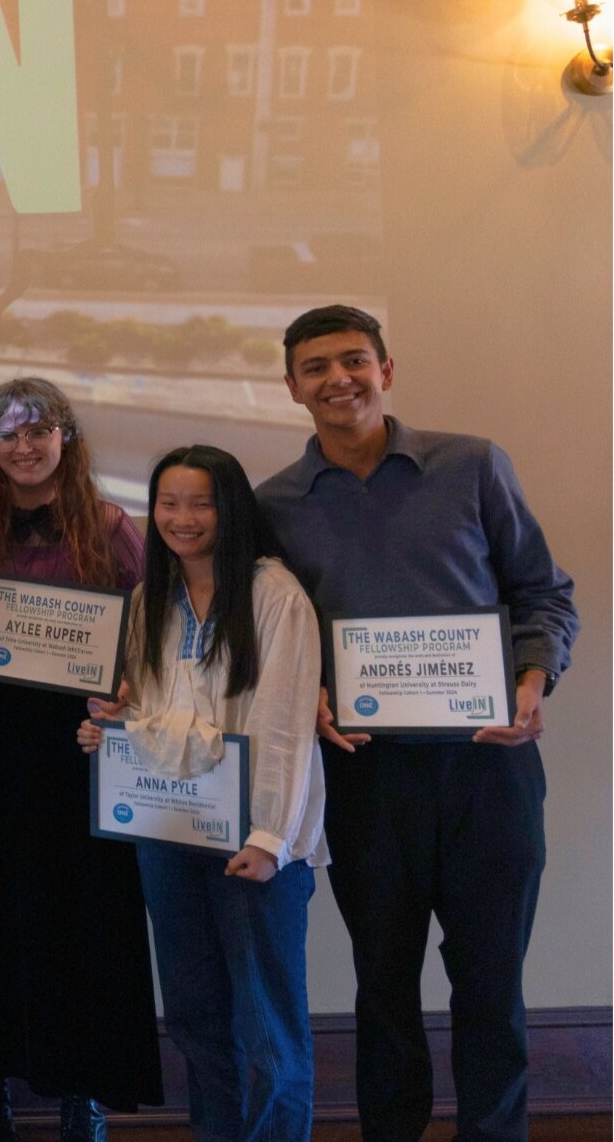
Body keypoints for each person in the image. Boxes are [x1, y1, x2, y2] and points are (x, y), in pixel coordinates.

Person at [255, 305, 577, 1142]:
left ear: (387, 370)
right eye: (316, 367)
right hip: (367, 780)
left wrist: (531, 682)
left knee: (492, 986)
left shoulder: (472, 465)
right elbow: (271, 636)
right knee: (383, 990)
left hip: (487, 771)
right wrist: (309, 696)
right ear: (291, 387)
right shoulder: (275, 505)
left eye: (355, 360)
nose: (339, 380)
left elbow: (543, 593)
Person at [77, 445, 327, 1142]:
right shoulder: (147, 599)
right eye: (168, 503)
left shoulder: (274, 595)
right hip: (168, 835)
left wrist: (270, 837)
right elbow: (153, 716)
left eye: (201, 502)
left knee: (266, 1026)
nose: (182, 519)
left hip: (254, 844)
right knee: (194, 1019)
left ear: (231, 508)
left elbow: (283, 727)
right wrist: (113, 737)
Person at [0, 379, 161, 1142]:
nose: (25, 447)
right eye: (8, 435)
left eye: (39, 432)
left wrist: (129, 692)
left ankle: (84, 1092)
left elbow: (153, 636)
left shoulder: (110, 527)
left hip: (77, 751)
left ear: (66, 438)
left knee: (84, 922)